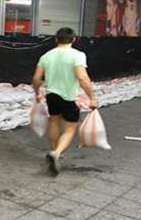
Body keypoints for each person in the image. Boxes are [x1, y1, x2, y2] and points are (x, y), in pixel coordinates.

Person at [32, 27, 97, 175]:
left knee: (54, 122)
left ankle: (53, 151)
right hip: (70, 97)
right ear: (74, 39)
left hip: (51, 95)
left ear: (56, 39)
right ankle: (57, 153)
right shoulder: (78, 55)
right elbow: (82, 78)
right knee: (70, 128)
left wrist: (36, 93)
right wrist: (92, 97)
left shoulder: (46, 56)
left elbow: (36, 78)